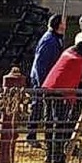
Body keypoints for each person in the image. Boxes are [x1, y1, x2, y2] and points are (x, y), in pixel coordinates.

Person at [42, 33, 82, 163]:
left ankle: (49, 153)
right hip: (63, 91)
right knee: (60, 123)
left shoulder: (69, 50)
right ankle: (57, 156)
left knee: (49, 121)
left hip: (49, 86)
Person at [27, 14, 66, 146]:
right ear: (58, 25)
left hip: (47, 80)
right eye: (63, 23)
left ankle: (39, 136)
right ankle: (31, 136)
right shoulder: (49, 41)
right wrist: (42, 83)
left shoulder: (55, 39)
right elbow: (40, 63)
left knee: (45, 109)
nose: (65, 25)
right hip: (42, 80)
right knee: (37, 107)